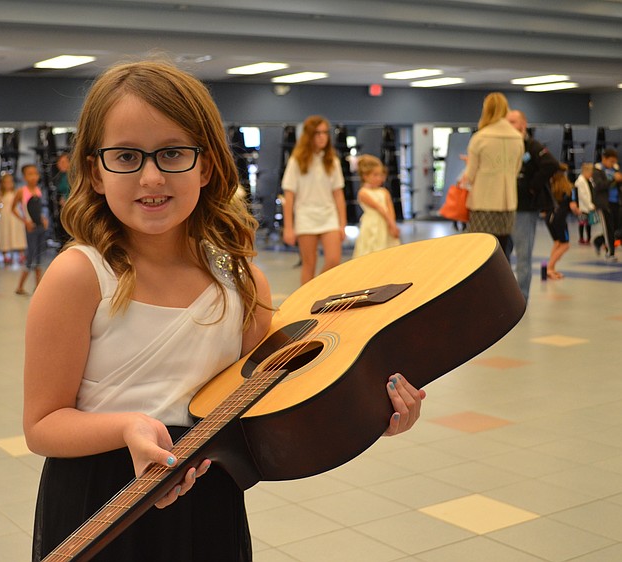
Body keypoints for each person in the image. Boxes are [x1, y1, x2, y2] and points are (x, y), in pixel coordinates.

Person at [22, 60, 426, 562]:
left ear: (207, 165)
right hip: (103, 495)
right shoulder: (79, 276)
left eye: (172, 153)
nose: (151, 176)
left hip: (207, 495)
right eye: (126, 156)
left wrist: (368, 410)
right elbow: (42, 424)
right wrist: (127, 427)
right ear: (94, 171)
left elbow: (272, 395)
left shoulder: (238, 279)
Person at [281, 115, 348, 286]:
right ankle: (306, 303)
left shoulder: (332, 161)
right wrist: (289, 227)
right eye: (318, 133)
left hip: (328, 216)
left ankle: (316, 288)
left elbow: (338, 194)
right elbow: (289, 196)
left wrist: (342, 223)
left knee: (334, 260)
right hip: (305, 217)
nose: (322, 137)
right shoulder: (296, 161)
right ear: (309, 136)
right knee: (309, 265)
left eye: (325, 133)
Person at [462, 93, 523, 260]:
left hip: (483, 204)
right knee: (502, 254)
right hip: (508, 204)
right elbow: (516, 170)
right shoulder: (517, 138)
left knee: (480, 255)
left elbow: (470, 175)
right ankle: (502, 285)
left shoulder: (480, 137)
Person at [505, 110, 558, 301]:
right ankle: (504, 297)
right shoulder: (505, 146)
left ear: (523, 124)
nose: (509, 125)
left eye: (513, 121)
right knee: (502, 258)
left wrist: (532, 186)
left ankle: (521, 298)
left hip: (524, 210)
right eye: (507, 122)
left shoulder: (532, 146)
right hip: (505, 208)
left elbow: (551, 164)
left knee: (523, 257)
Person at [352, 154, 400, 258]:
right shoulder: (363, 193)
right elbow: (380, 209)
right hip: (372, 226)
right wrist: (391, 223)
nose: (379, 178)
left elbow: (390, 209)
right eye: (375, 175)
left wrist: (392, 224)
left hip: (385, 225)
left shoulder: (384, 192)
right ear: (365, 176)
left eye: (381, 175)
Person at [12, 164, 49, 294]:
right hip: (31, 229)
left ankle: (38, 286)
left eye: (35, 173)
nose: (33, 176)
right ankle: (20, 287)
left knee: (39, 257)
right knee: (30, 256)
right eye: (30, 174)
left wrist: (43, 218)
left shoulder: (38, 190)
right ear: (24, 177)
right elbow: (13, 209)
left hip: (40, 227)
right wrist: (25, 221)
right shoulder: (22, 191)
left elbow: (38, 210)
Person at [543, 164, 579, 280]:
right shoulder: (569, 188)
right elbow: (573, 206)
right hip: (559, 219)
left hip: (549, 218)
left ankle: (551, 269)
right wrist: (580, 212)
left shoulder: (551, 187)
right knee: (565, 245)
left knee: (557, 242)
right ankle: (549, 268)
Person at [591, 148, 622, 260]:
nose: (613, 164)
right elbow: (599, 186)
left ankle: (599, 241)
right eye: (611, 161)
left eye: (614, 161)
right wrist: (613, 179)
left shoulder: (616, 169)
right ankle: (610, 253)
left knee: (616, 228)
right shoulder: (597, 170)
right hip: (604, 203)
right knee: (608, 228)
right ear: (604, 159)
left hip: (616, 202)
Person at [0, 172, 27, 265]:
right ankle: (5, 255)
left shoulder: (16, 192)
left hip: (15, 216)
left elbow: (21, 204)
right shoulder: (1, 194)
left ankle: (21, 254)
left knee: (17, 233)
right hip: (5, 216)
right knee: (5, 233)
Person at [574, 162, 596, 244]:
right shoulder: (580, 182)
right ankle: (581, 237)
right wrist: (590, 205)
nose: (591, 175)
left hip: (589, 205)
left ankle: (589, 237)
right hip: (583, 206)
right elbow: (583, 196)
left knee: (589, 223)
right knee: (582, 223)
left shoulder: (590, 180)